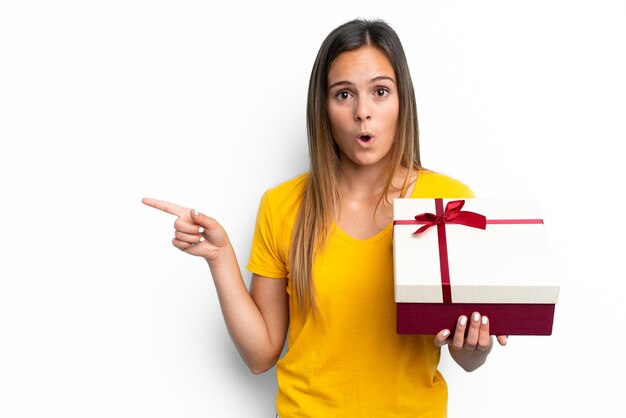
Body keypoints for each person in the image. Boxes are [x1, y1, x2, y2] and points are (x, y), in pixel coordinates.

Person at [143, 18, 507, 417]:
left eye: (380, 92)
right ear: (324, 107)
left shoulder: (450, 204)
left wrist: (474, 345)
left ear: (403, 101)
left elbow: (468, 359)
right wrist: (220, 258)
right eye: (344, 94)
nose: (362, 112)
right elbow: (260, 355)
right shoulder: (283, 205)